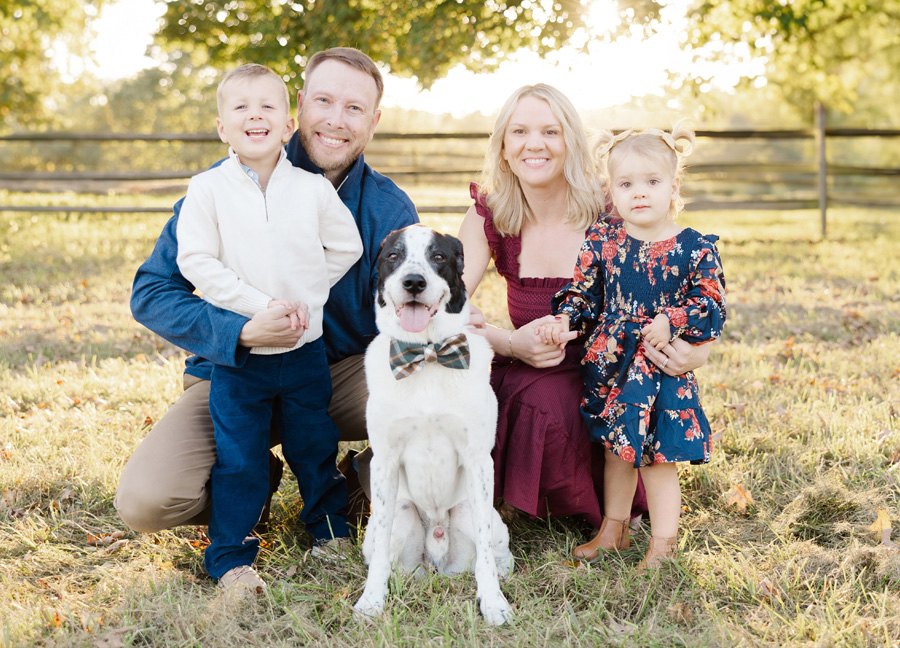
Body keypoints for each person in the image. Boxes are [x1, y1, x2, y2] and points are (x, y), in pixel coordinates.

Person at [116, 49, 418, 552]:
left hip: (333, 377)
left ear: (374, 121)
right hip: (236, 372)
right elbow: (152, 292)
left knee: (439, 380)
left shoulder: (388, 207)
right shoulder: (221, 186)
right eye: (323, 101)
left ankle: (362, 482)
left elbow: (407, 307)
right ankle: (253, 480)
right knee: (148, 500)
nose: (335, 121)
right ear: (298, 106)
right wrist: (241, 329)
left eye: (354, 108)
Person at [173, 63, 363, 591]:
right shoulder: (206, 189)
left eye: (267, 107)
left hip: (304, 354)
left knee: (314, 445)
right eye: (240, 107)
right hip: (240, 361)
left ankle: (328, 530)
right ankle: (231, 557)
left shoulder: (310, 189)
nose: (254, 115)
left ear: (288, 125)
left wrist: (303, 299)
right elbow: (196, 262)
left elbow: (347, 247)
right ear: (222, 127)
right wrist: (259, 308)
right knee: (240, 459)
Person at [458, 84, 656, 533]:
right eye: (520, 131)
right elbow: (446, 309)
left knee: (544, 404)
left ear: (571, 141)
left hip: (605, 371)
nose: (535, 144)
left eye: (551, 131)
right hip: (524, 358)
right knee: (466, 385)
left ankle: (585, 504)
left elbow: (656, 294)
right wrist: (510, 342)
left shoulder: (610, 209)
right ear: (504, 147)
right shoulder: (490, 214)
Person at [545, 124, 726, 570]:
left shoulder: (694, 248)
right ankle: (614, 530)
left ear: (673, 186)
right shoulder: (604, 240)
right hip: (612, 366)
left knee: (657, 459)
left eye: (652, 182)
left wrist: (672, 319)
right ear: (612, 189)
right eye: (626, 184)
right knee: (615, 449)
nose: (639, 193)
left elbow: (711, 303)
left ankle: (663, 547)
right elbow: (583, 290)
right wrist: (566, 317)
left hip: (661, 369)